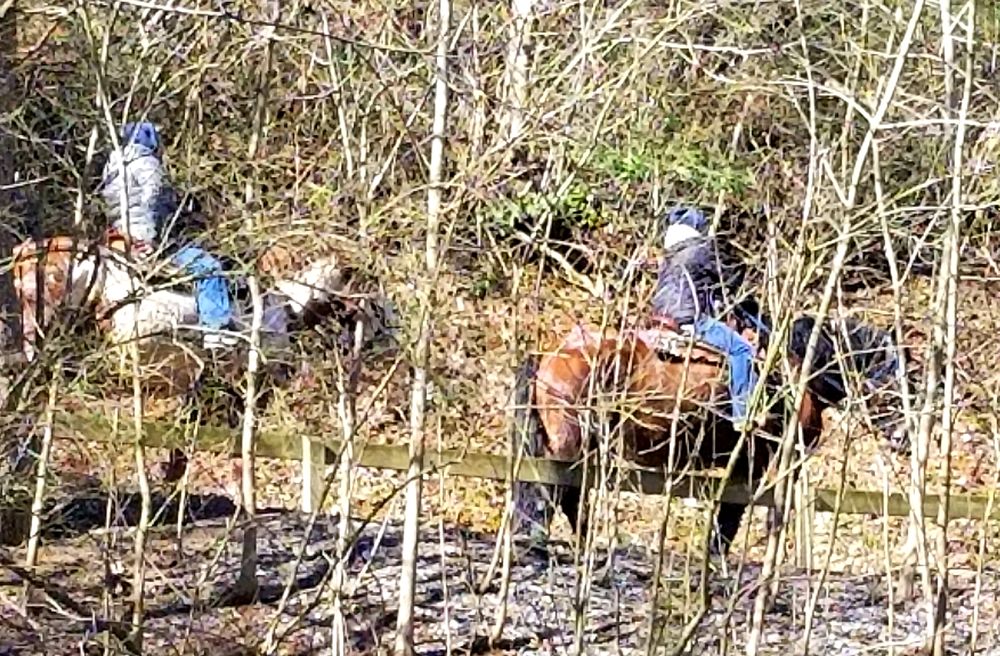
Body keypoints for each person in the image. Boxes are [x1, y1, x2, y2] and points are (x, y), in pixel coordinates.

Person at [99, 121, 239, 350]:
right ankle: (216, 330)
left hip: (119, 237)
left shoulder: (111, 167)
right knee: (208, 267)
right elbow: (153, 199)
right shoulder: (146, 162)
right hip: (146, 238)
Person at [650, 206, 761, 431]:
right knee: (742, 350)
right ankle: (744, 413)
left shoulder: (669, 257)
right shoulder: (701, 250)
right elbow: (730, 276)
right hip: (690, 319)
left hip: (661, 317)